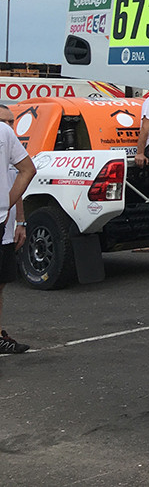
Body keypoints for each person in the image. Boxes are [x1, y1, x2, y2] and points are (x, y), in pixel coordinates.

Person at [1, 103, 37, 354]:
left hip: (4, 223)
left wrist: (18, 219)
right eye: (4, 120)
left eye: (12, 121)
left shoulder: (7, 139)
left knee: (1, 283)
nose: (9, 126)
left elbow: (21, 175)